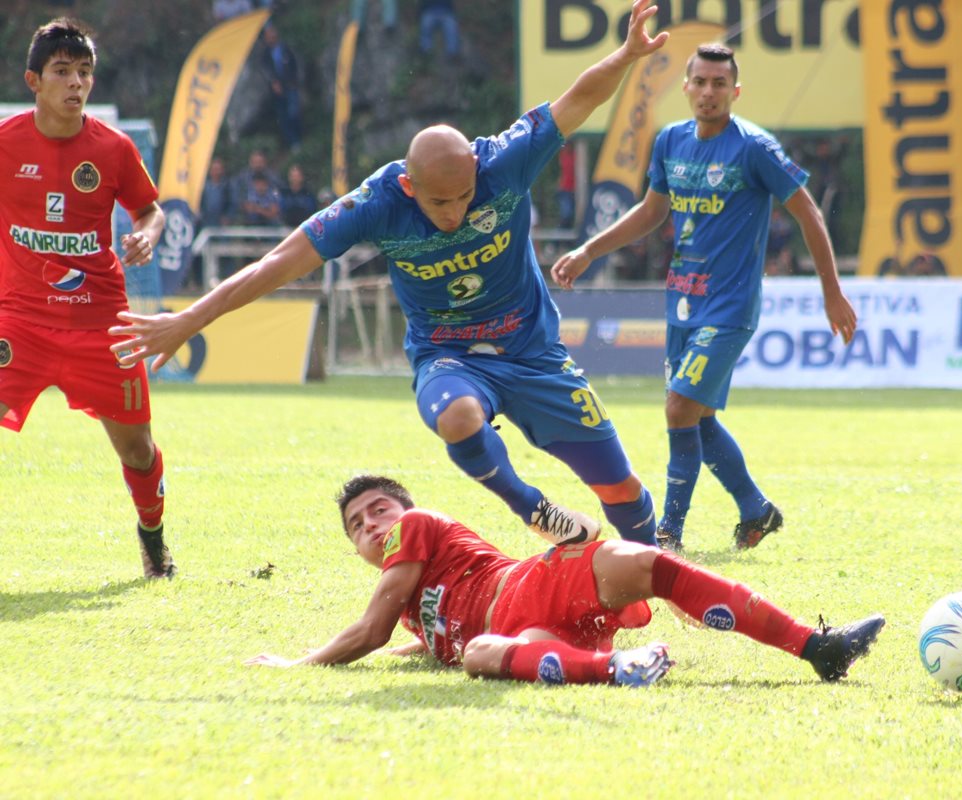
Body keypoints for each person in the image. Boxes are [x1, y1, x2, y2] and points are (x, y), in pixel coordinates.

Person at [110, 0, 671, 549]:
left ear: (478, 169)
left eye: (464, 198)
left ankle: (664, 564)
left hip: (534, 351)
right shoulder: (376, 203)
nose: (453, 214)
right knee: (457, 415)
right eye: (438, 203)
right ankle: (533, 509)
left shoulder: (506, 160)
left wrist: (624, 56)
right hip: (446, 353)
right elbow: (276, 263)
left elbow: (578, 100)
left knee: (619, 485)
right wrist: (189, 318)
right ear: (409, 187)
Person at [551, 43, 857, 552]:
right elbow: (651, 212)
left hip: (731, 307)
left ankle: (668, 534)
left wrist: (831, 291)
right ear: (687, 87)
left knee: (677, 409)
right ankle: (757, 510)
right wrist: (588, 250)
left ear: (735, 92)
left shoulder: (753, 147)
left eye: (720, 84)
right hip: (682, 303)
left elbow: (808, 212)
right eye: (701, 82)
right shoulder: (671, 141)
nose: (709, 92)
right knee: (698, 417)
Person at [244, 475, 886, 686]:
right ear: (355, 547)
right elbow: (413, 634)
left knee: (639, 562)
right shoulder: (413, 600)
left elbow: (370, 629)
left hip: (527, 588)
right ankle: (614, 669)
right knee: (477, 653)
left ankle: (816, 646)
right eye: (357, 524)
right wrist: (423, 646)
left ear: (403, 510)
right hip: (531, 634)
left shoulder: (415, 527)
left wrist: (299, 664)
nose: (373, 524)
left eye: (379, 508)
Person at [0, 18, 174, 578]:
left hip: (100, 324)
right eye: (62, 72)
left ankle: (153, 537)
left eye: (84, 72)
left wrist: (146, 233)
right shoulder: (6, 145)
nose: (75, 83)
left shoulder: (113, 148)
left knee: (138, 451)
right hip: (19, 320)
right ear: (34, 80)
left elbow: (151, 208)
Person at [260, 24, 302, 154]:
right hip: (277, 91)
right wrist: (273, 82)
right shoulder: (265, 54)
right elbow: (265, 71)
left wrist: (295, 80)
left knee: (294, 112)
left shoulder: (285, 49)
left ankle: (299, 138)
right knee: (283, 117)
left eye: (272, 34)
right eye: (268, 35)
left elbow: (294, 64)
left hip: (290, 85)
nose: (271, 37)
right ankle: (293, 142)